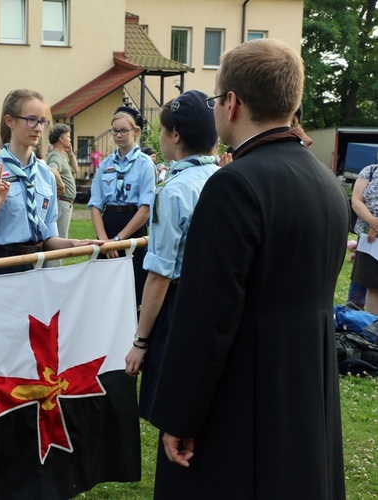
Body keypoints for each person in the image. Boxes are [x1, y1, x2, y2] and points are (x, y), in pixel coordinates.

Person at [148, 39, 348, 499]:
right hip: (306, 383)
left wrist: (179, 415)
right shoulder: (325, 182)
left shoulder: (234, 185)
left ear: (232, 103)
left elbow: (207, 315)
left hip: (246, 393)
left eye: (217, 99)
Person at [124, 90, 219, 420]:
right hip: (216, 305)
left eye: (162, 131)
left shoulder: (174, 190)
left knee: (174, 411)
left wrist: (140, 341)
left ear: (174, 135)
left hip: (179, 309)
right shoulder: (223, 177)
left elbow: (160, 275)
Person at [0, 89, 97, 275]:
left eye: (43, 121)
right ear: (10, 121)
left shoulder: (45, 174)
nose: (39, 128)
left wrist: (74, 243)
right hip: (2, 267)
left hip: (37, 266)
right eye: (31, 119)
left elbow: (50, 237)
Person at [87, 106, 155, 306]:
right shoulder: (104, 165)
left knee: (135, 293)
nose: (118, 135)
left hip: (132, 230)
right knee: (105, 294)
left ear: (136, 132)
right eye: (115, 131)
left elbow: (145, 209)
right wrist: (104, 241)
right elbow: (96, 205)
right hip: (107, 231)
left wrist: (119, 240)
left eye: (124, 130)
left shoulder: (145, 165)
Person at [46, 123, 78, 266]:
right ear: (61, 139)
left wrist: (70, 153)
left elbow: (75, 169)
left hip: (65, 203)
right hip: (62, 202)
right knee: (59, 240)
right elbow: (53, 170)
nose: (70, 140)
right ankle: (53, 272)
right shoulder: (55, 156)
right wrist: (62, 185)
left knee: (60, 237)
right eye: (68, 137)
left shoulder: (61, 155)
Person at [350, 161, 378, 314]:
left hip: (373, 234)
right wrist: (373, 222)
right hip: (369, 240)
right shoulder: (370, 171)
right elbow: (356, 201)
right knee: (368, 286)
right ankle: (368, 328)